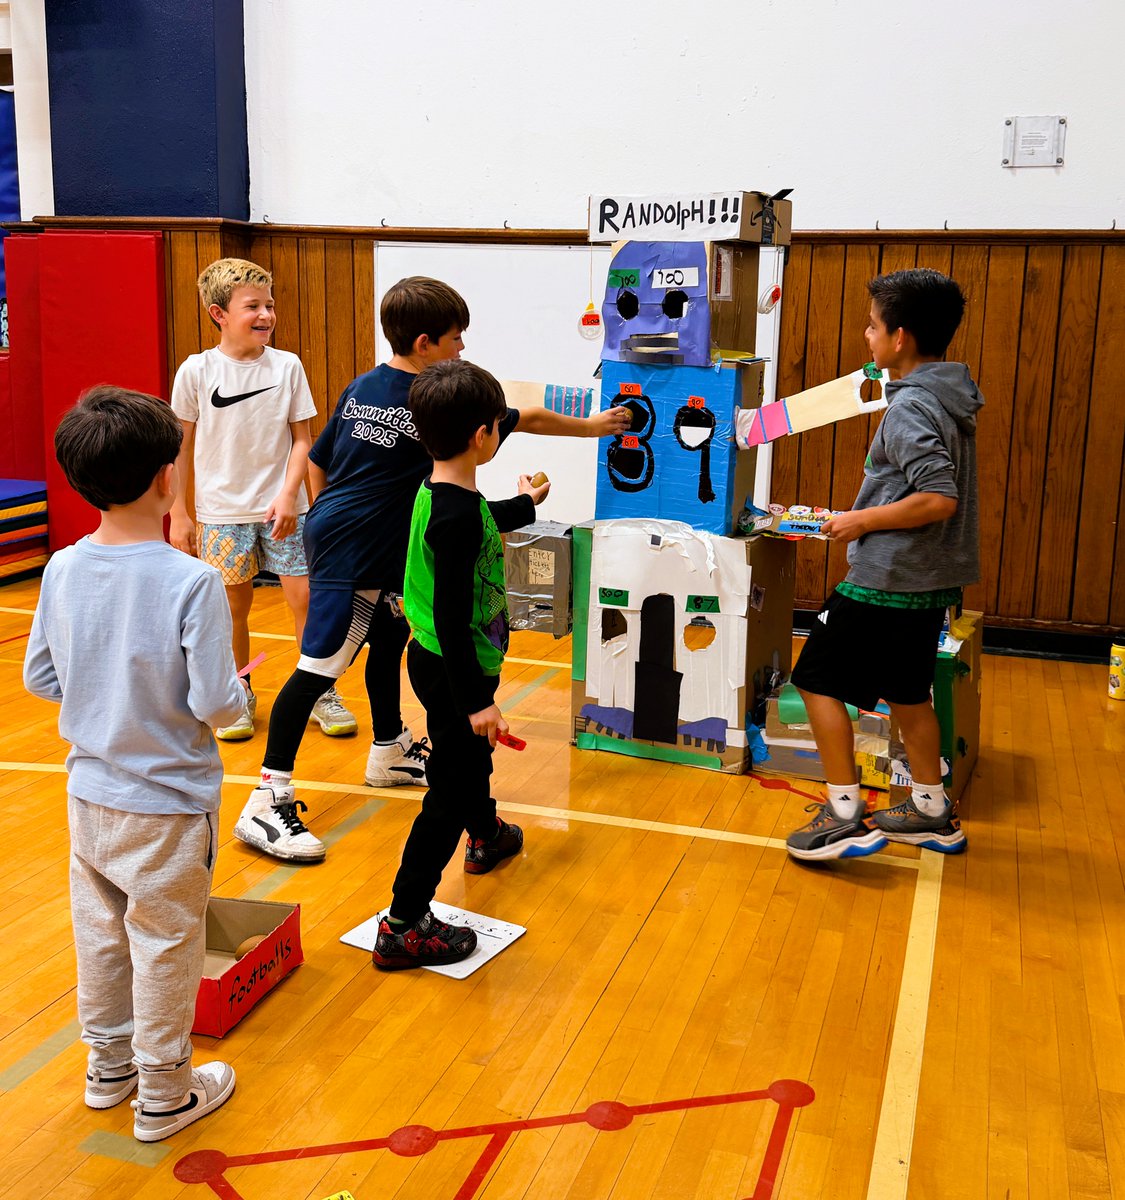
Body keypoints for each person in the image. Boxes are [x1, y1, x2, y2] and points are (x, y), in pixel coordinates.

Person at [234, 276, 630, 863]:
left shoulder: (365, 385)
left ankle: (389, 749)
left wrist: (332, 520)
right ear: (425, 343)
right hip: (353, 554)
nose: (463, 348)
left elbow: (320, 464)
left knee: (393, 636)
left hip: (360, 540)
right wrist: (587, 439)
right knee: (319, 670)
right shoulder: (436, 407)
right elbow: (477, 490)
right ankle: (267, 798)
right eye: (455, 338)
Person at [24, 386, 245, 1141]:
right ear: (165, 478)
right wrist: (237, 707)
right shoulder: (192, 580)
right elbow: (217, 702)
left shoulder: (59, 568)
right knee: (165, 941)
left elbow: (40, 679)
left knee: (102, 935)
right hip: (169, 804)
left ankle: (108, 1066)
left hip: (89, 799)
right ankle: (164, 1093)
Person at [784, 268, 981, 861]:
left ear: (901, 338)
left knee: (814, 679)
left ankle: (844, 813)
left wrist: (859, 520)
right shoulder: (951, 395)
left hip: (885, 580)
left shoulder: (912, 407)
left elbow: (938, 496)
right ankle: (930, 810)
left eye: (872, 327)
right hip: (924, 583)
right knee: (907, 694)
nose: (865, 337)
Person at [372, 359, 547, 969]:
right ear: (483, 437)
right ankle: (404, 922)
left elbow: (479, 526)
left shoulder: (441, 489)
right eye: (498, 425)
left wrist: (524, 505)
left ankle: (488, 834)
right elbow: (450, 615)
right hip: (455, 668)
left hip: (441, 662)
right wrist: (477, 700)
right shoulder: (452, 512)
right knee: (451, 784)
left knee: (469, 760)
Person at [168, 257, 355, 742]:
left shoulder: (287, 366)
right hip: (221, 515)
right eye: (253, 306)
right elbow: (181, 447)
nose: (266, 315)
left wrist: (291, 495)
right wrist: (180, 512)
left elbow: (302, 441)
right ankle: (240, 689)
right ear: (218, 314)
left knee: (307, 599)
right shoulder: (196, 371)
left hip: (285, 512)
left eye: (269, 305)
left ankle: (320, 691)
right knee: (231, 609)